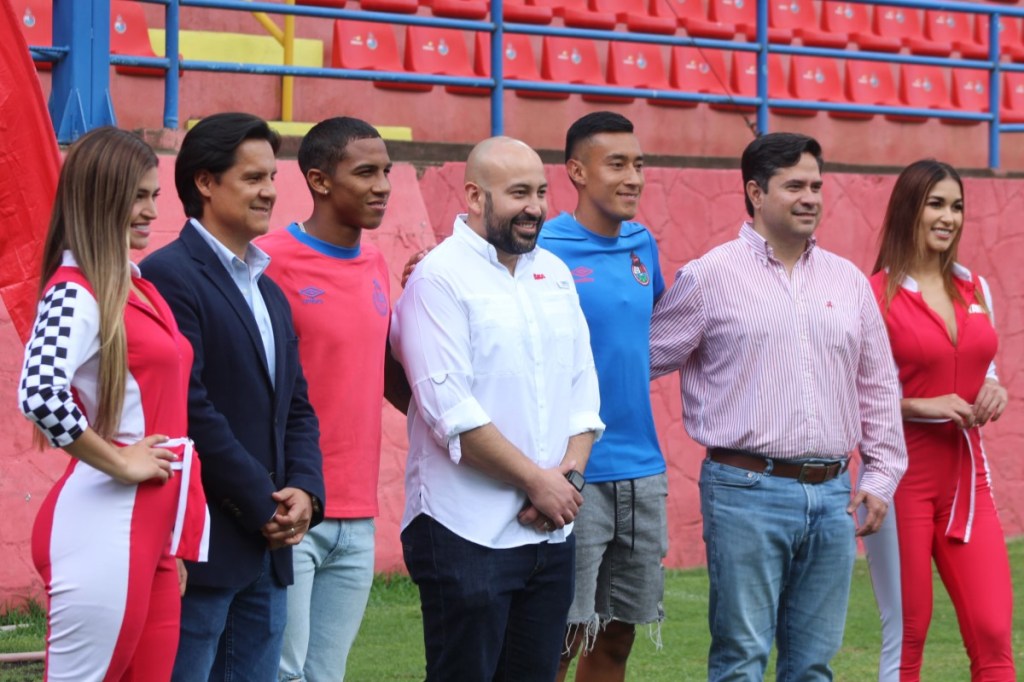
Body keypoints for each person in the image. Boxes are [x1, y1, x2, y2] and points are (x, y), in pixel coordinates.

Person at [648, 132, 908, 681]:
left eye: (816, 185)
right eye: (794, 185)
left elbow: (879, 384)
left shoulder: (849, 281)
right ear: (756, 192)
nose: (810, 196)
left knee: (814, 665)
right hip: (745, 490)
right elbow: (641, 357)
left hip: (835, 495)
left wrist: (881, 476)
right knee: (741, 659)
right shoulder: (708, 277)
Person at [391, 136, 605, 681]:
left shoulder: (554, 273)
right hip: (464, 531)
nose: (535, 206)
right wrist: (540, 483)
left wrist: (568, 477)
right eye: (518, 193)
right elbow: (449, 413)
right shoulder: (437, 278)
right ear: (475, 196)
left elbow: (583, 391)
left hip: (549, 530)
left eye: (539, 191)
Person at [140, 112, 325, 682]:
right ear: (205, 182)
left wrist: (307, 493)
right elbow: (191, 409)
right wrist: (262, 503)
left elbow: (294, 404)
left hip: (268, 551)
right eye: (253, 178)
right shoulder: (168, 274)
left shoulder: (266, 288)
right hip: (204, 544)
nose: (270, 191)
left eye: (272, 176)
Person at [18, 127, 208, 681]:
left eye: (155, 195)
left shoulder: (135, 284)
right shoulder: (75, 290)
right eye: (140, 196)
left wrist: (167, 534)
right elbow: (38, 391)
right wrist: (122, 460)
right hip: (105, 524)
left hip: (148, 529)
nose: (154, 210)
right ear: (103, 198)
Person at [258, 116, 408, 682]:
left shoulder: (374, 262)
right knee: (282, 673)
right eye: (365, 172)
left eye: (387, 172)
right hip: (289, 503)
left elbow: (381, 370)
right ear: (319, 180)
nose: (382, 186)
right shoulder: (267, 260)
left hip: (358, 513)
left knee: (326, 675)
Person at [864, 160, 1015, 681]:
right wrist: (916, 405)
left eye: (956, 206)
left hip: (968, 483)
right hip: (899, 479)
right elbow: (851, 399)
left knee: (994, 634)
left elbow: (984, 365)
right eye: (936, 203)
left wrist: (993, 386)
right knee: (908, 634)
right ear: (909, 208)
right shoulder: (874, 294)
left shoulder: (975, 288)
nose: (948, 217)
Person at [541, 112, 668, 682]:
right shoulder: (542, 248)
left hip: (642, 469)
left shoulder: (644, 245)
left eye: (639, 164)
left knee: (617, 637)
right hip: (572, 471)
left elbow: (652, 331)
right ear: (577, 171)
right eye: (617, 164)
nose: (634, 177)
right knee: (561, 637)